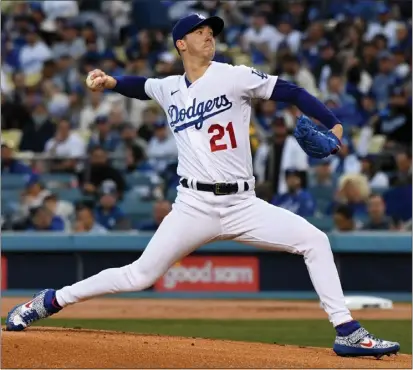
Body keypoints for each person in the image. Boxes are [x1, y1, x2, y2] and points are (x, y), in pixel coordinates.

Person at [6, 13, 399, 358]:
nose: (208, 35)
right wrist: (110, 81)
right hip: (193, 205)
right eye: (199, 31)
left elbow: (292, 91)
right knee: (139, 275)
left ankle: (347, 331)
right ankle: (51, 300)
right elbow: (140, 85)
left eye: (211, 30)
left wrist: (332, 121)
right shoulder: (169, 87)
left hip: (244, 203)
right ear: (181, 43)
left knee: (315, 241)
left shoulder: (233, 75)